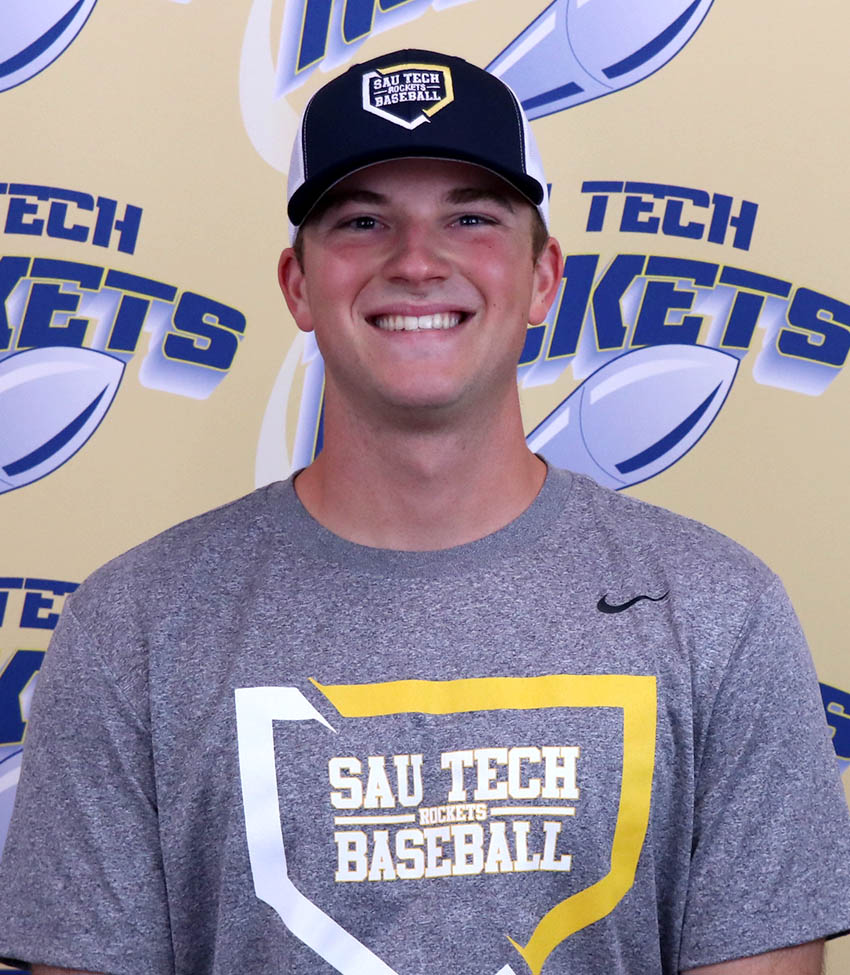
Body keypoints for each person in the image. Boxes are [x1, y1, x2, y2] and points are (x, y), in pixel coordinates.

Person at [0, 48, 848, 975]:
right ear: (297, 285)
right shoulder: (133, 628)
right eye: (364, 221)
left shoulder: (718, 611)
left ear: (543, 279)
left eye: (471, 218)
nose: (416, 262)